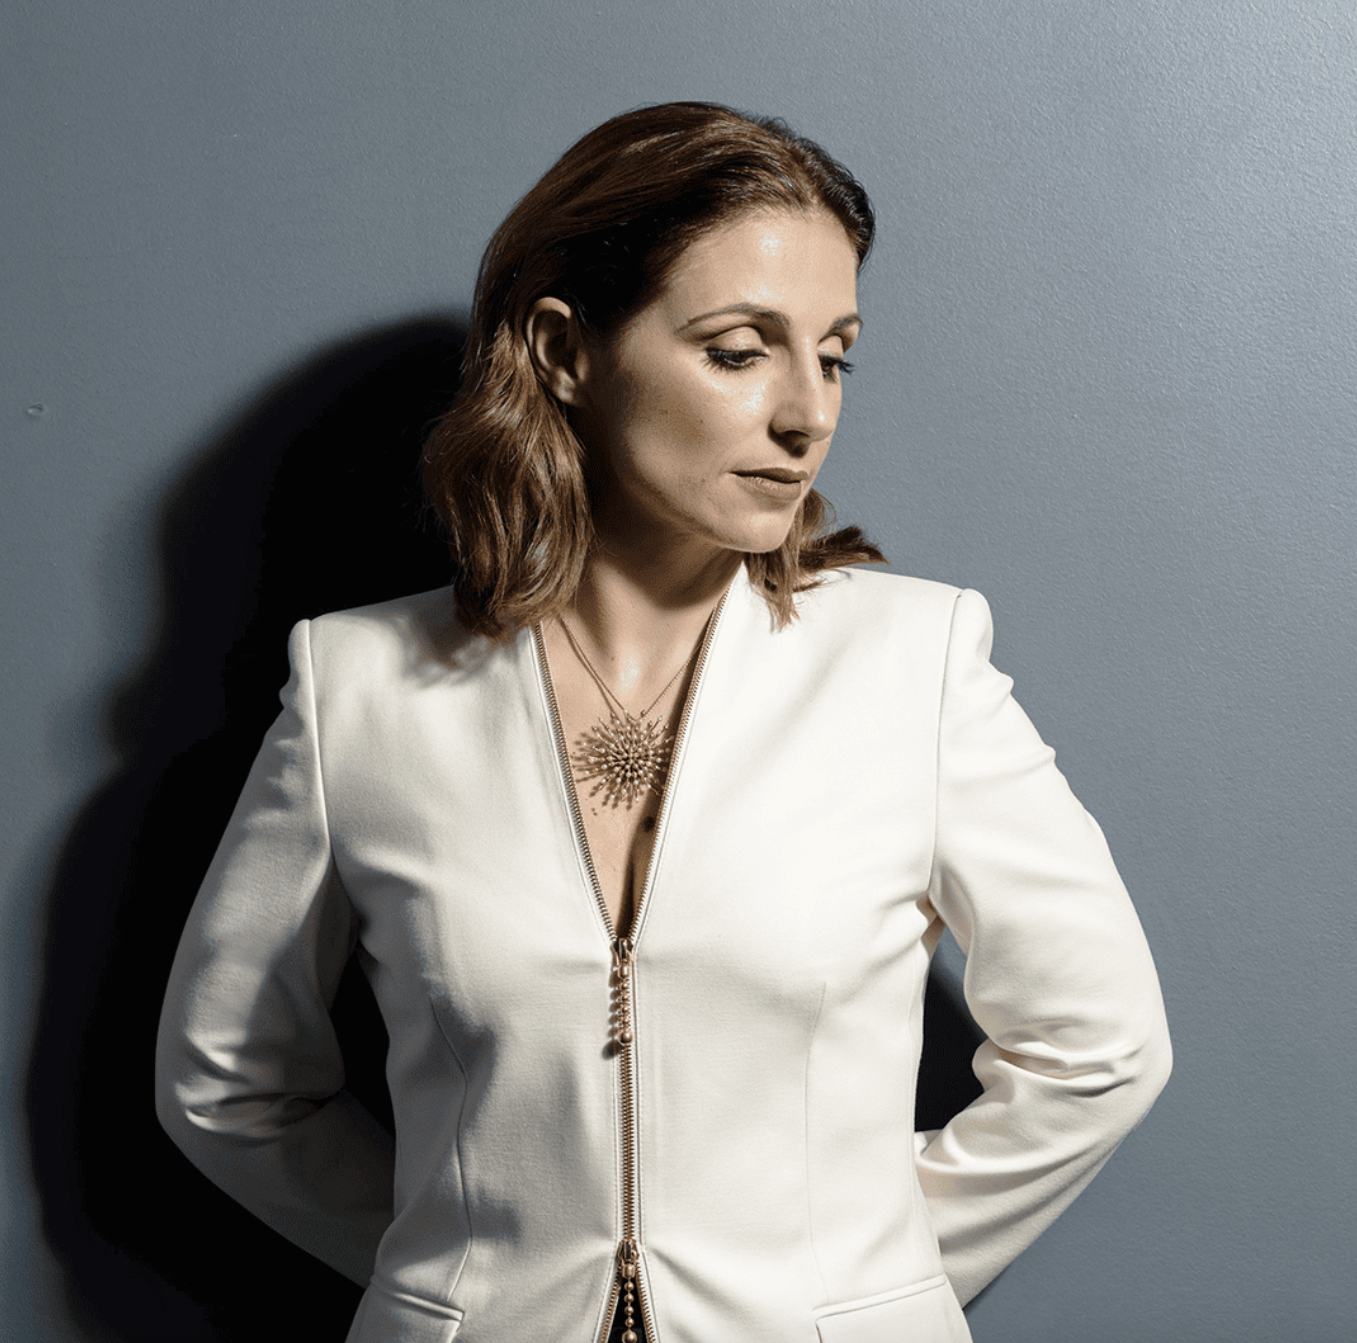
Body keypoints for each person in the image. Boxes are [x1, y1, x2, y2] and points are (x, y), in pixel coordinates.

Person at [156, 101, 1171, 1343]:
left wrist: (854, 1284)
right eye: (739, 351)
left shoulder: (916, 663)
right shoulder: (359, 686)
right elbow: (229, 1082)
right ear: (564, 350)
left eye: (835, 355)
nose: (807, 412)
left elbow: (1099, 1046)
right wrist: (464, 1275)